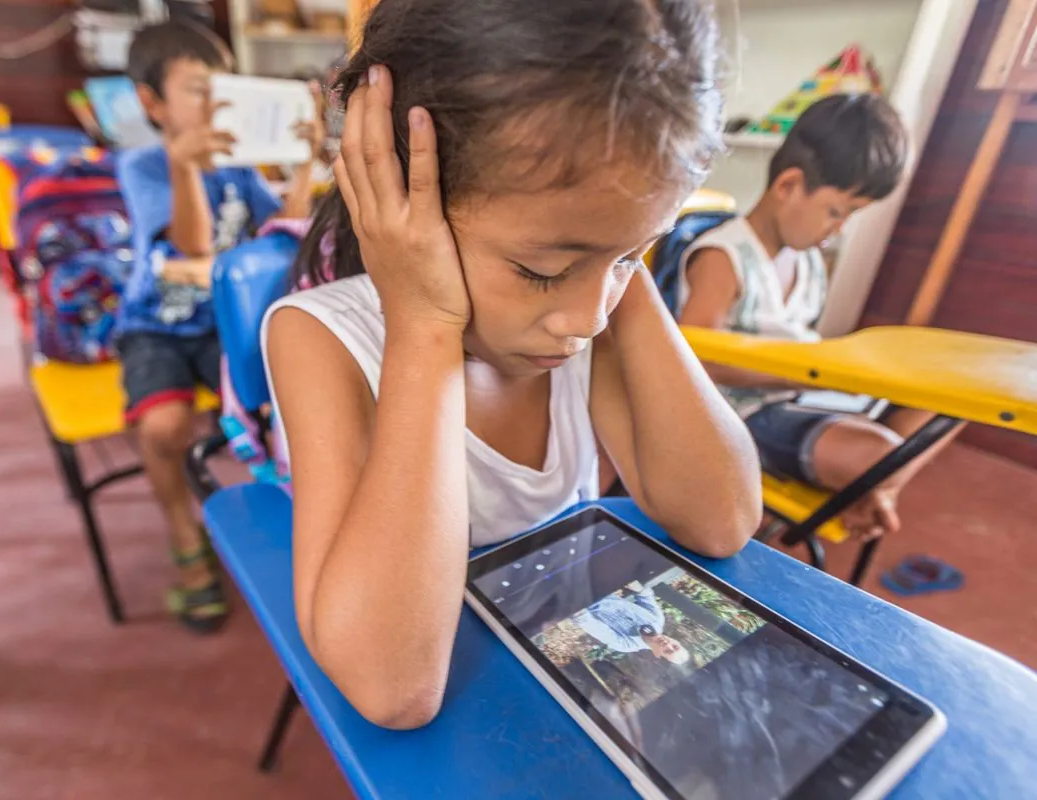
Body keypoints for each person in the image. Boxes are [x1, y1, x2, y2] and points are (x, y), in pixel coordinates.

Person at [262, 0, 762, 729]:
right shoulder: (319, 339)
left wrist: (618, 241)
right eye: (540, 269)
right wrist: (426, 328)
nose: (587, 319)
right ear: (399, 195)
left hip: (573, 678)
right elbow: (391, 688)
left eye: (633, 256)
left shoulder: (594, 306)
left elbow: (722, 519)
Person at [115, 19, 324, 632]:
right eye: (200, 91)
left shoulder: (237, 169)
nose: (218, 103)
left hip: (219, 323)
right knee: (166, 423)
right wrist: (184, 170)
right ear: (152, 103)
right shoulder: (144, 167)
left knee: (289, 395)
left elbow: (283, 231)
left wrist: (304, 161)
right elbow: (191, 242)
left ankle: (290, 513)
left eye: (223, 88)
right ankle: (185, 537)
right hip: (154, 326)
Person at [678, 94, 962, 543]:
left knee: (950, 404)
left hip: (801, 398)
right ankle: (870, 486)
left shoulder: (807, 259)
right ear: (788, 186)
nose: (839, 228)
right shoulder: (724, 256)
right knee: (889, 457)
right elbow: (693, 359)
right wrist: (811, 375)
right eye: (837, 211)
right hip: (745, 414)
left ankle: (865, 486)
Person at [576, 586, 691, 665]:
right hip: (602, 588)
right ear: (677, 641)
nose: (668, 645)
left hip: (582, 602)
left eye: (668, 651)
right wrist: (636, 587)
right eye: (675, 646)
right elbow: (646, 596)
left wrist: (576, 604)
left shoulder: (625, 645)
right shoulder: (657, 620)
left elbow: (587, 622)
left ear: (659, 655)